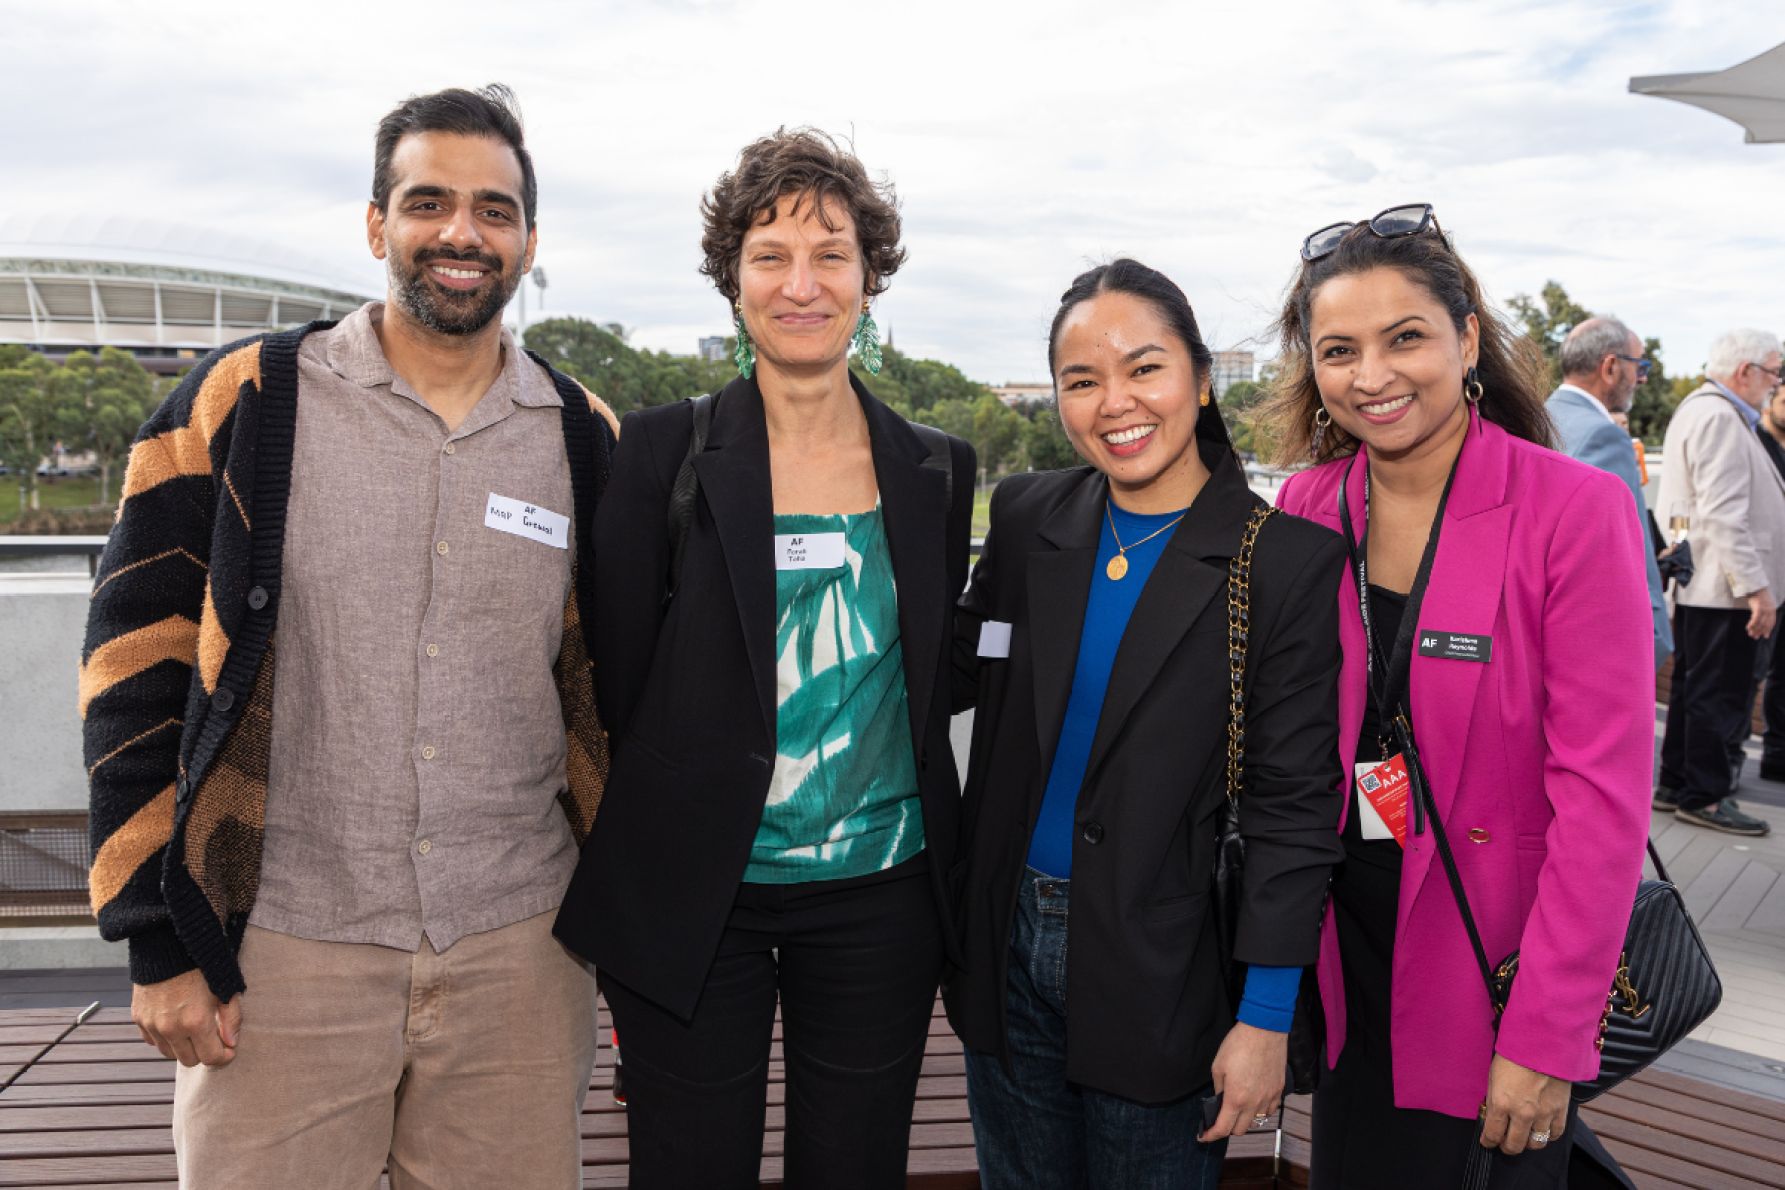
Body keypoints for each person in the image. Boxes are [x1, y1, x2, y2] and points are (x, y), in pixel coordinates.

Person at [80, 85, 618, 1187]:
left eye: (494, 210)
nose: (462, 233)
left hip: (520, 954)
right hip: (280, 955)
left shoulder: (587, 438)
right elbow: (134, 663)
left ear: (527, 241)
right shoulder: (243, 403)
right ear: (378, 225)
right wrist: (157, 934)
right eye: (429, 203)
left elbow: (624, 691)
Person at [553, 129, 975, 1190]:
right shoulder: (660, 452)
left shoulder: (934, 466)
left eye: (831, 253)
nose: (802, 283)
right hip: (697, 892)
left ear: (870, 277)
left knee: (857, 1164)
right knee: (689, 1165)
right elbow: (618, 670)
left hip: (882, 894)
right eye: (770, 254)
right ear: (730, 277)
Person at [1261, 204, 1651, 1187]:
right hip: (1350, 960)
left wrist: (1548, 1035)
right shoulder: (1306, 507)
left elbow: (1603, 800)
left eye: (1406, 338)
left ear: (1467, 337)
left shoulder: (1573, 509)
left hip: (1495, 975)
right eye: (1339, 349)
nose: (1373, 375)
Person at [945, 258, 1346, 1190]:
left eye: (1144, 368)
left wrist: (1266, 1017)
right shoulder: (1026, 515)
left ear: (1201, 380)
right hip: (1004, 949)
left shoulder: (1284, 563)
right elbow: (945, 672)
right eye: (1080, 381)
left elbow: (1294, 810)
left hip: (1166, 968)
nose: (1114, 402)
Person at [1655, 328, 1785, 836]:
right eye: (1774, 372)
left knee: (1695, 688)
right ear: (1746, 372)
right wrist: (1756, 588)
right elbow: (1725, 514)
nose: (1776, 384)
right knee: (1720, 693)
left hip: (1708, 584)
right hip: (1725, 589)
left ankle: (1676, 783)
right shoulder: (1719, 417)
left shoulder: (1707, 410)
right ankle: (1704, 797)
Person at [1546, 317, 1671, 669]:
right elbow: (1627, 553)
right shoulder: (1604, 436)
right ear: (1611, 367)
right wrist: (1656, 638)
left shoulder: (1541, 416)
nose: (1642, 378)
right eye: (1640, 365)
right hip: (1600, 648)